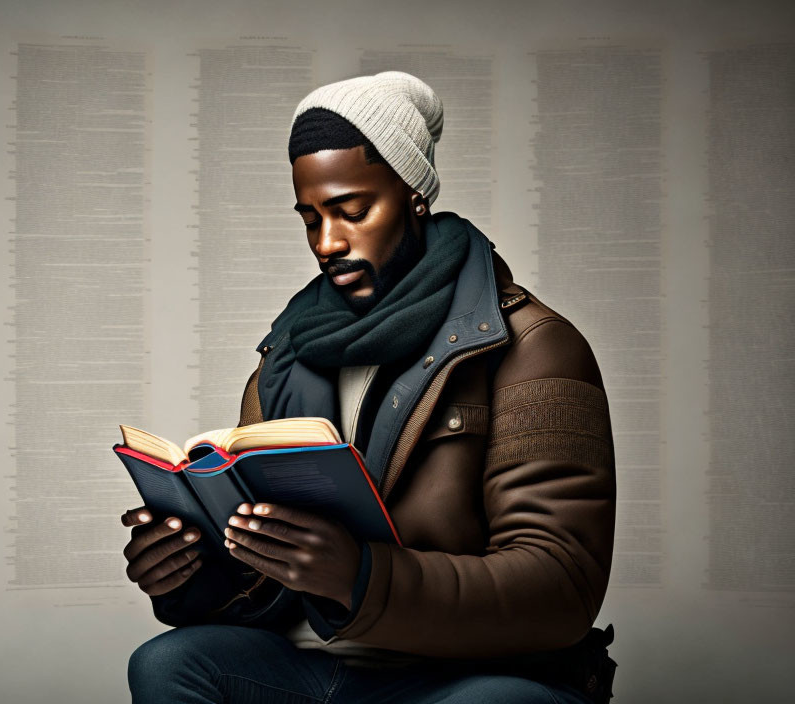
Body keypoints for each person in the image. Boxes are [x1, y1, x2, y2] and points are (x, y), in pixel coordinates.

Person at [123, 71, 617, 704]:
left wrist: (362, 577)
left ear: (414, 194)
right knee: (170, 663)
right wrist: (187, 573)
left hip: (470, 674)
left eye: (353, 211)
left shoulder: (535, 346)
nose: (328, 243)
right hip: (315, 662)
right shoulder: (284, 358)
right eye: (310, 218)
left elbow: (560, 588)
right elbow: (266, 574)